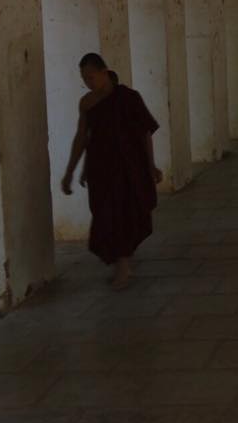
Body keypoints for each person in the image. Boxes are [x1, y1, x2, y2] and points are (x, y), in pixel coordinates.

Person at [61, 53, 162, 289]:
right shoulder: (86, 103)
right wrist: (72, 171)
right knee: (105, 215)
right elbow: (83, 138)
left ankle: (123, 267)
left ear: (105, 72)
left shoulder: (128, 98)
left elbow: (144, 132)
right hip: (101, 170)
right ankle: (121, 263)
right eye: (84, 79)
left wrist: (151, 165)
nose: (88, 82)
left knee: (123, 214)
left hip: (128, 166)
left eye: (91, 77)